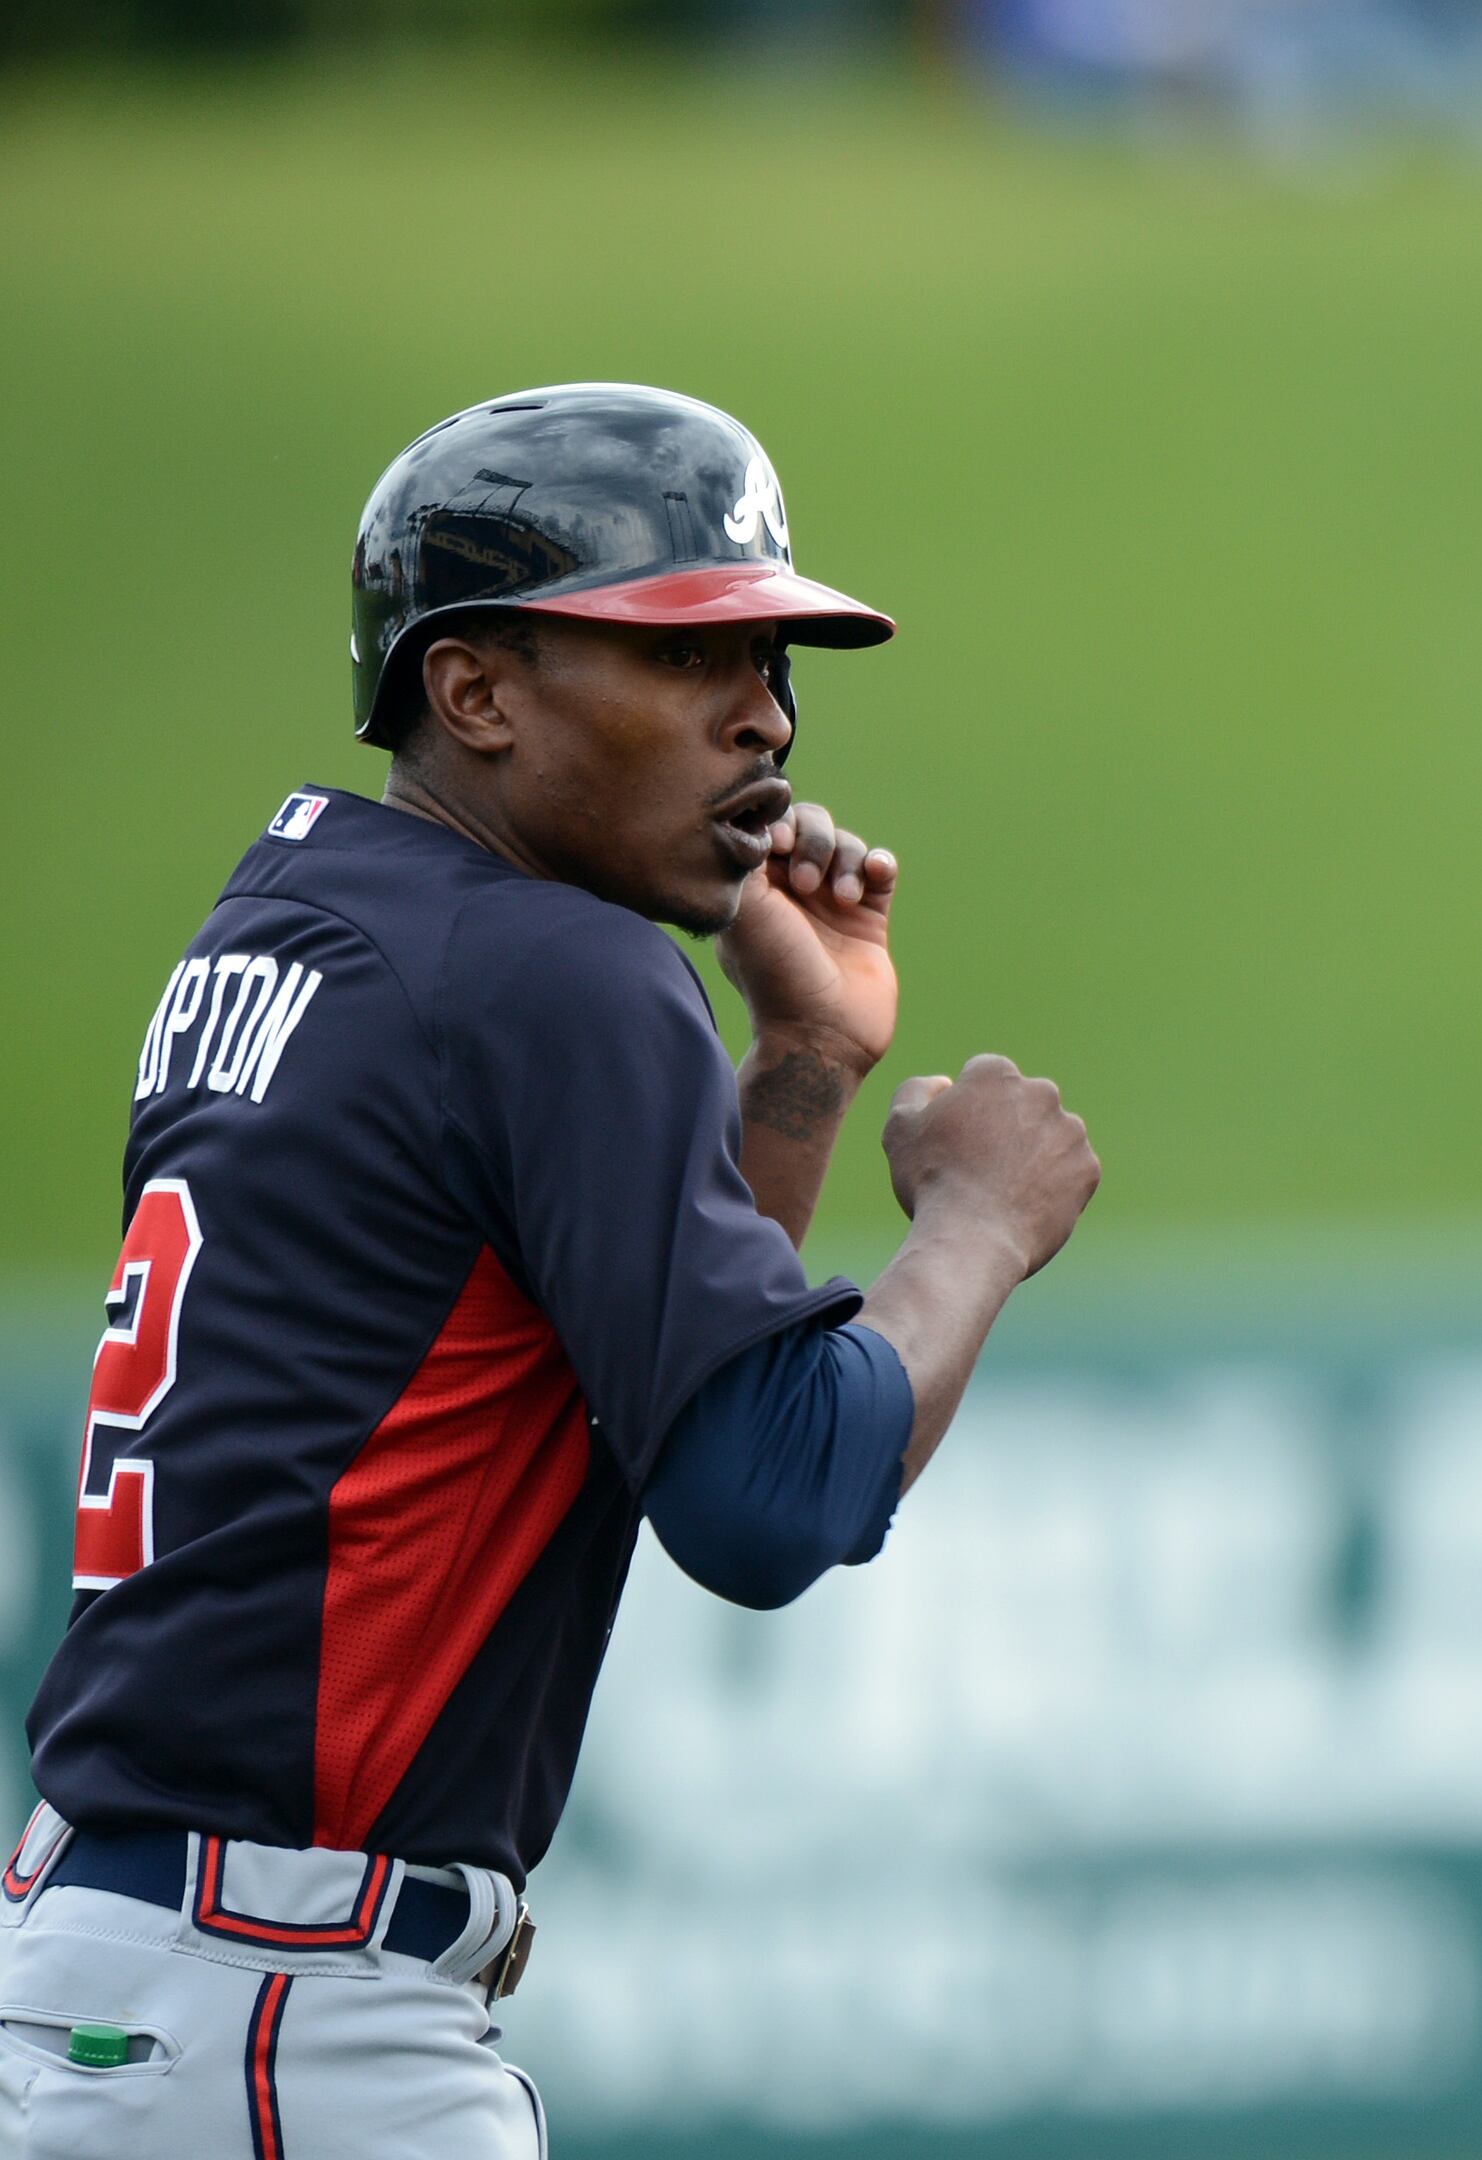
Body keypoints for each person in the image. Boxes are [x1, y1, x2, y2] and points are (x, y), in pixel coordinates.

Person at [1, 383, 1102, 2155]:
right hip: (278, 2013)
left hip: (143, 1971)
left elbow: (608, 1391)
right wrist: (978, 1226)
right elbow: (769, 1498)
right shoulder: (550, 969)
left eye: (776, 664)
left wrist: (804, 1067)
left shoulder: (295, 921)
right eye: (685, 658)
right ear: (478, 691)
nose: (765, 719)